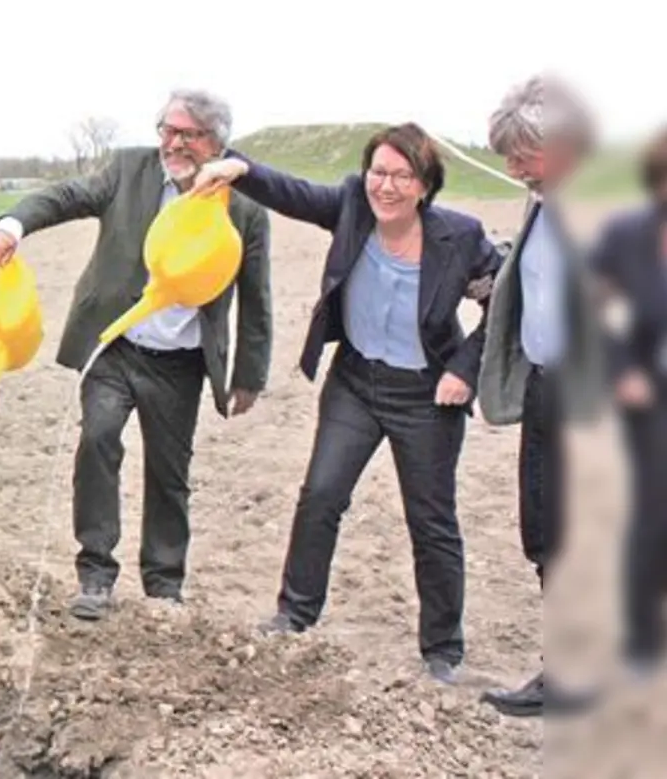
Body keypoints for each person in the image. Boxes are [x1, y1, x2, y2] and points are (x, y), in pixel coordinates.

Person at [192, 123, 503, 683]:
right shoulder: (352, 209)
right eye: (377, 172)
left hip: (427, 397)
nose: (385, 186)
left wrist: (464, 369)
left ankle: (442, 650)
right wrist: (239, 167)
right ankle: (295, 613)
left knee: (431, 520)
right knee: (321, 495)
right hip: (356, 384)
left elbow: (501, 304)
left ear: (425, 185)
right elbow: (293, 193)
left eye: (401, 176)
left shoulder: (460, 238)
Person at [0, 89, 274, 620]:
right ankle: (95, 573)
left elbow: (257, 296)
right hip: (113, 347)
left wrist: (249, 374)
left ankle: (164, 584)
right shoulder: (127, 170)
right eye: (167, 129)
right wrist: (13, 224)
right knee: (97, 440)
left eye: (188, 134)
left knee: (170, 472)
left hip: (181, 361)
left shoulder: (247, 206)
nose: (173, 142)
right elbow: (65, 196)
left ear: (216, 143)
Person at [475, 74, 608, 717]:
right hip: (546, 390)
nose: (511, 166)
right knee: (548, 533)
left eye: (520, 152)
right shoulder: (545, 204)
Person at [586, 126, 667, 682]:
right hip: (650, 396)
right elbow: (597, 311)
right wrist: (621, 370)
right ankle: (641, 640)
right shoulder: (626, 235)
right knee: (653, 513)